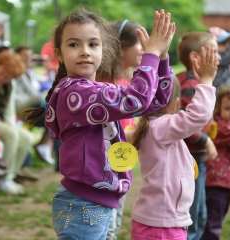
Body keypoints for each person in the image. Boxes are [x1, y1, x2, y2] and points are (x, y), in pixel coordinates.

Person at [25, 8, 175, 239]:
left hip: (93, 202)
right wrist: (151, 54)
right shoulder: (74, 93)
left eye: (93, 44)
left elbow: (155, 101)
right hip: (82, 204)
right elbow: (135, 100)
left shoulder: (99, 90)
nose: (85, 51)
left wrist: (162, 57)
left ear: (103, 51)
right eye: (74, 44)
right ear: (59, 54)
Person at [131, 44, 218, 240]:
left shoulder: (149, 126)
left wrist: (161, 55)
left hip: (152, 222)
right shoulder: (162, 127)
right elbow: (198, 116)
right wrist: (205, 81)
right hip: (163, 226)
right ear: (176, 103)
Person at [96, 19, 143, 240]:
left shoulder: (124, 82)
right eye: (140, 43)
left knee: (112, 227)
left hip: (122, 166)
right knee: (106, 228)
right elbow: (110, 136)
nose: (144, 49)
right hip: (107, 170)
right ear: (121, 46)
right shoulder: (105, 85)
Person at [176, 32, 220, 240]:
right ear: (196, 58)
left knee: (200, 214)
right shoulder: (190, 87)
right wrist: (207, 141)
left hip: (196, 159)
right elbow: (186, 124)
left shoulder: (191, 83)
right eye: (214, 52)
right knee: (193, 219)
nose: (218, 57)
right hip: (192, 159)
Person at [0, 51, 33, 195]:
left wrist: (10, 124)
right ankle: (1, 179)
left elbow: (9, 109)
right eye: (2, 72)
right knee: (11, 135)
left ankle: (9, 176)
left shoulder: (10, 84)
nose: (3, 78)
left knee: (26, 138)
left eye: (7, 77)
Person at [201, 83, 230, 240]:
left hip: (225, 182)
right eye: (227, 108)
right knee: (212, 222)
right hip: (216, 183)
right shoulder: (220, 127)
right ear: (219, 108)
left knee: (215, 219)